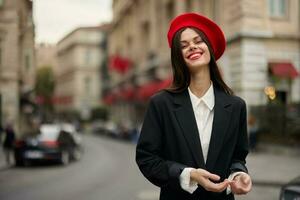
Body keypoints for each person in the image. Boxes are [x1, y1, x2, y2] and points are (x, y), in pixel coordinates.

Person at [136, 13, 252, 200]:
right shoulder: (161, 104)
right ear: (178, 57)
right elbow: (147, 158)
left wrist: (238, 175)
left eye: (198, 41)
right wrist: (187, 174)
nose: (192, 47)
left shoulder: (236, 106)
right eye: (184, 45)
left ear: (210, 48)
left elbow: (238, 157)